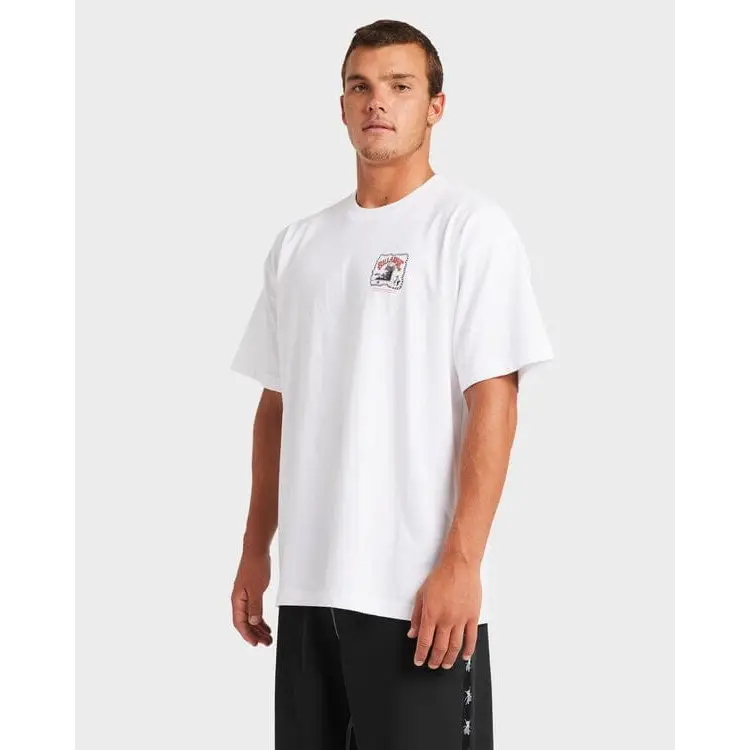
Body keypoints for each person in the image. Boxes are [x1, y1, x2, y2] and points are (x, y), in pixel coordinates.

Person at [229, 18, 553, 750]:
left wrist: (462, 563)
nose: (378, 101)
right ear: (342, 106)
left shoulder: (471, 229)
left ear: (435, 106)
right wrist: (255, 548)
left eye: (400, 86)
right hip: (309, 592)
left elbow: (495, 401)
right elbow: (276, 405)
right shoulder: (298, 245)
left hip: (417, 599)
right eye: (361, 86)